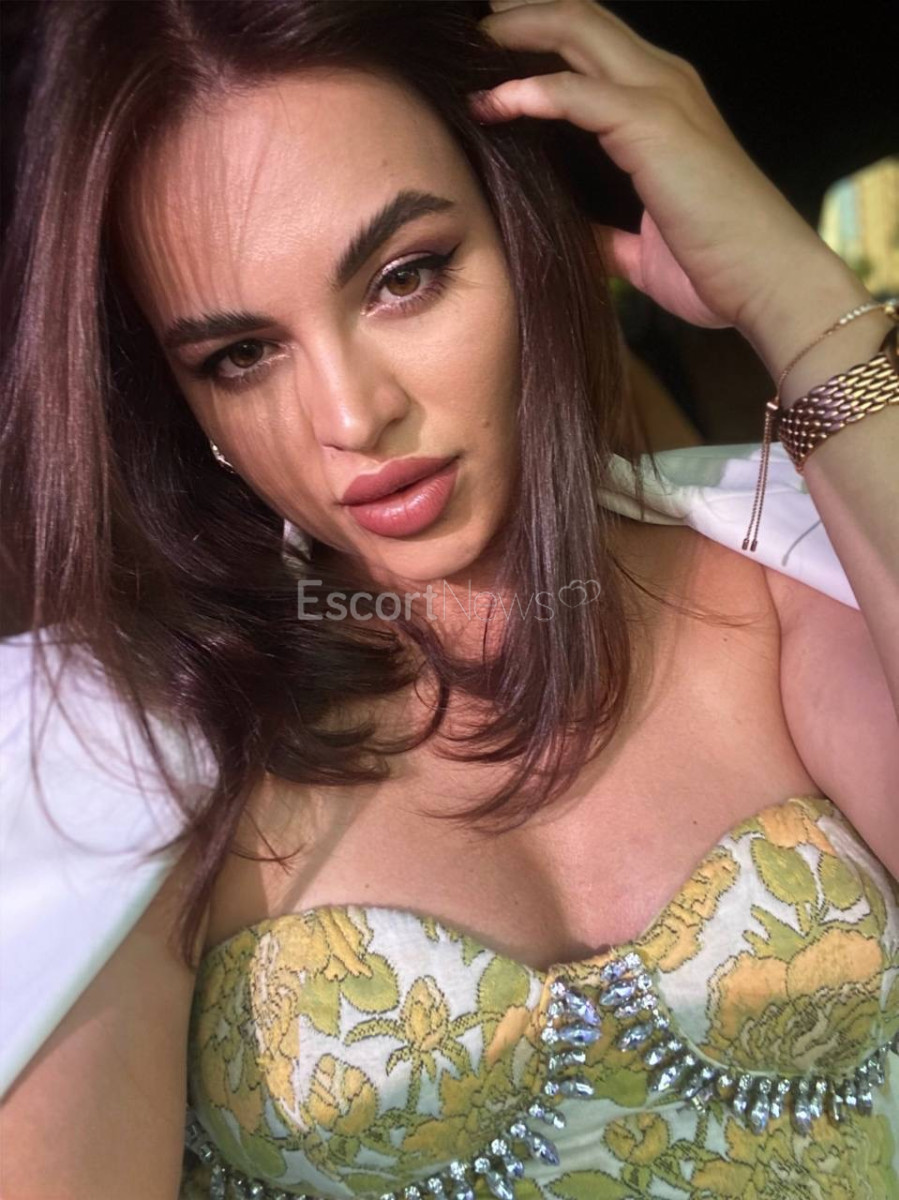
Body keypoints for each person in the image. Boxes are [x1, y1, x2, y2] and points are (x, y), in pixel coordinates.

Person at [1, 2, 897, 1197]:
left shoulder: (791, 581)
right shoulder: (112, 756)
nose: (352, 414)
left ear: (524, 236)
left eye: (403, 277)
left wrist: (795, 303)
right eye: (241, 355)